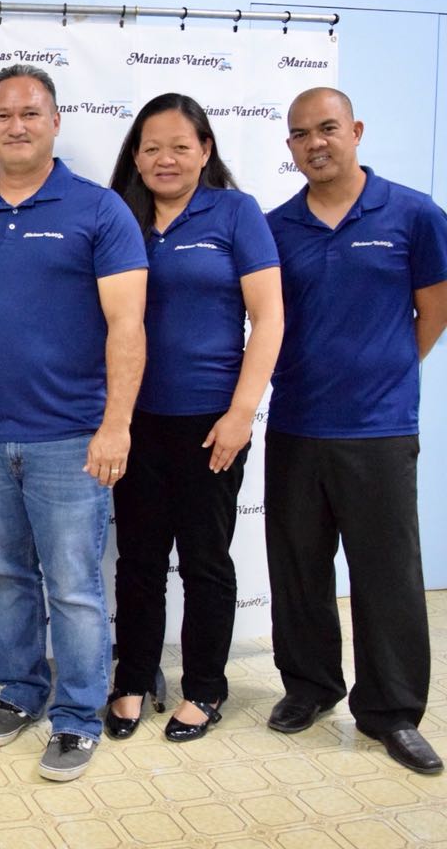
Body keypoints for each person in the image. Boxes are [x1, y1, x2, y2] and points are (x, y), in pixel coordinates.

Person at [0, 64, 148, 781]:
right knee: (5, 576)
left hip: (71, 438)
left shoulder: (99, 211)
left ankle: (77, 714)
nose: (17, 125)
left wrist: (116, 424)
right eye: (3, 115)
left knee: (74, 585)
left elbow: (128, 326)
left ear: (56, 121)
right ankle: (23, 689)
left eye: (31, 112)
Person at [263, 87, 447, 774]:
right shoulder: (277, 227)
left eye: (329, 129)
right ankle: (310, 689)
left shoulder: (413, 214)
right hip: (297, 426)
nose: (317, 143)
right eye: (302, 134)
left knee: (387, 575)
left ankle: (393, 713)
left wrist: (388, 368)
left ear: (356, 131)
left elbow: (433, 310)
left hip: (379, 429)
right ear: (290, 147)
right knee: (299, 568)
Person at [104, 93, 283, 743]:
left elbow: (269, 318)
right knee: (138, 561)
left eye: (180, 145)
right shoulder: (119, 214)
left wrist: (242, 413)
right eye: (151, 147)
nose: (165, 159)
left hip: (212, 422)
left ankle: (205, 685)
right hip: (134, 420)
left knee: (206, 561)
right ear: (135, 154)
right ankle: (134, 677)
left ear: (206, 150)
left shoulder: (236, 213)